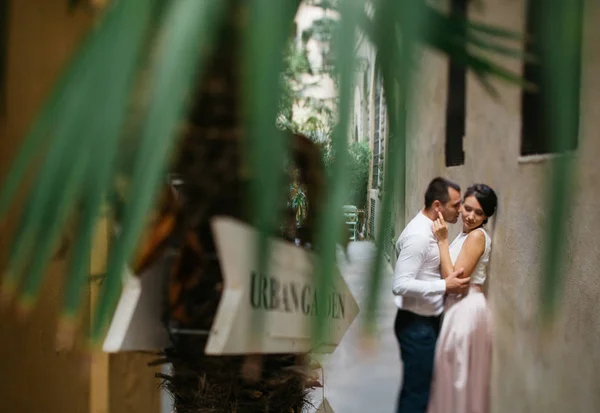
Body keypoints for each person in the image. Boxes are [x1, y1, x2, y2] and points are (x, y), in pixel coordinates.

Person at [392, 177, 471, 413]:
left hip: (426, 323)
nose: (460, 210)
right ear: (438, 206)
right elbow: (400, 284)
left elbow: (398, 245)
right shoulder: (419, 235)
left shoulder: (432, 229)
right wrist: (444, 285)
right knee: (417, 395)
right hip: (417, 326)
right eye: (455, 205)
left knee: (420, 390)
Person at [426, 183, 498, 413]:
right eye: (467, 208)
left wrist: (442, 240)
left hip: (466, 308)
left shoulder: (476, 236)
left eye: (479, 212)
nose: (470, 216)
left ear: (486, 216)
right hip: (457, 307)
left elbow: (453, 281)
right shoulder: (464, 235)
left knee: (459, 381)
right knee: (451, 379)